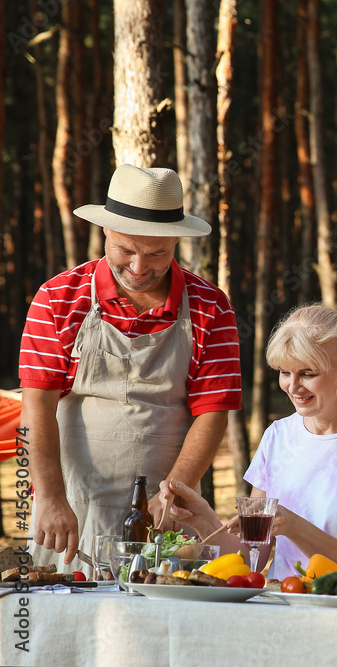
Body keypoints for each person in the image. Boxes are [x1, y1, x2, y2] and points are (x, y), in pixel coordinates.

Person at [18, 165, 241, 568]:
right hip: (71, 506)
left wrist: (174, 491)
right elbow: (36, 406)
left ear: (177, 239)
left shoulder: (211, 307)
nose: (139, 267)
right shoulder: (57, 297)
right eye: (125, 250)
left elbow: (214, 415)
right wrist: (50, 495)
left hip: (166, 513)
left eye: (157, 253)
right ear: (105, 233)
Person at [164, 305, 337, 593]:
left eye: (308, 373)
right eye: (285, 372)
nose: (293, 386)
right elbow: (252, 560)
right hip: (289, 603)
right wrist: (204, 518)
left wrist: (293, 525)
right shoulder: (277, 435)